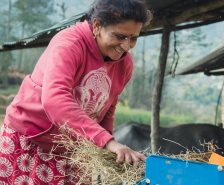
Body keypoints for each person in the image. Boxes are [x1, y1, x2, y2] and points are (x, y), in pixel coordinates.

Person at [0, 0, 152, 184]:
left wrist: (105, 149)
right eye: (120, 36)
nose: (126, 46)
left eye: (133, 38)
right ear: (96, 25)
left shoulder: (124, 63)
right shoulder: (69, 44)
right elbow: (55, 99)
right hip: (33, 138)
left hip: (75, 148)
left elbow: (108, 105)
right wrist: (107, 141)